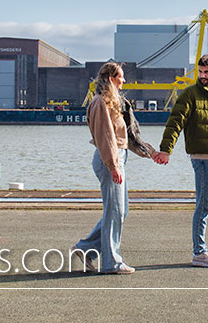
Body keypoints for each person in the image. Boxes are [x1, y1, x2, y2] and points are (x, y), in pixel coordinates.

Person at [154, 53, 208, 268]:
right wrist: (165, 150)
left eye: (206, 72)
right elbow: (175, 123)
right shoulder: (190, 94)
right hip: (203, 158)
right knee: (204, 204)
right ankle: (199, 252)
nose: (202, 76)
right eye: (200, 72)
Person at [74, 62, 135, 274]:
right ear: (111, 78)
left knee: (120, 210)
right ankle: (112, 262)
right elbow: (105, 136)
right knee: (114, 212)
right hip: (109, 159)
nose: (124, 80)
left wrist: (149, 152)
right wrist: (113, 165)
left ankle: (86, 249)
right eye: (121, 76)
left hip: (117, 158)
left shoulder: (111, 102)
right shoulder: (100, 102)